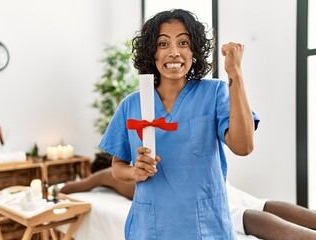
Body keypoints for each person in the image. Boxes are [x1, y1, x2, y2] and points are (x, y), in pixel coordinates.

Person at [98, 9, 257, 239]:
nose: (173, 52)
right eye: (163, 44)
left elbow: (244, 147)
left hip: (205, 229)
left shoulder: (214, 93)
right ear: (151, 52)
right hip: (149, 228)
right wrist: (135, 171)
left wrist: (235, 74)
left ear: (194, 50)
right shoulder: (131, 105)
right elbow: (117, 166)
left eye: (183, 42)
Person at [61, 166, 316, 240]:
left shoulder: (108, 174)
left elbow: (78, 186)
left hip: (188, 194)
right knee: (260, 204)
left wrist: (58, 188)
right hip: (205, 181)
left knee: (240, 215)